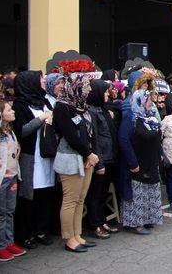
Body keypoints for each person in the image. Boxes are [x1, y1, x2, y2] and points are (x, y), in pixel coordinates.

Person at [53, 74, 100, 253]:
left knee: (80, 198)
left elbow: (88, 133)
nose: (89, 89)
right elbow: (71, 136)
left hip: (86, 158)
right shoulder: (62, 107)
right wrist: (88, 154)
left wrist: (89, 155)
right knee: (70, 200)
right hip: (70, 158)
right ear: (76, 86)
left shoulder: (80, 106)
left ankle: (78, 234)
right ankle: (69, 238)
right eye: (86, 86)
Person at [12, 71, 56, 249]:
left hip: (46, 155)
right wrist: (41, 118)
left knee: (45, 194)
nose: (43, 82)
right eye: (40, 80)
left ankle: (41, 230)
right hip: (31, 157)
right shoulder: (20, 104)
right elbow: (22, 131)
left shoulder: (44, 100)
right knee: (29, 197)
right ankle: (26, 234)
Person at [119, 82, 163, 235]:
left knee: (150, 191)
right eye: (150, 102)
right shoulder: (131, 117)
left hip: (151, 161)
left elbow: (157, 137)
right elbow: (123, 140)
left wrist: (160, 153)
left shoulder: (149, 117)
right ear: (141, 101)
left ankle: (148, 218)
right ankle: (135, 223)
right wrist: (133, 162)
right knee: (138, 193)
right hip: (137, 162)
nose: (152, 104)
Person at [85, 79, 119, 239]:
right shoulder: (91, 111)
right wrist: (99, 163)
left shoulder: (103, 109)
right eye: (105, 92)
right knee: (96, 193)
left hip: (109, 156)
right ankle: (95, 224)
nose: (107, 94)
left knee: (103, 192)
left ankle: (102, 220)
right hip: (101, 158)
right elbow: (95, 139)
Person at [0, 100, 26, 262]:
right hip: (2, 179)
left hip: (13, 175)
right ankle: (1, 245)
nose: (13, 111)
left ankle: (9, 242)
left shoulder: (10, 131)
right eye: (9, 110)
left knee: (10, 211)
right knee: (1, 213)